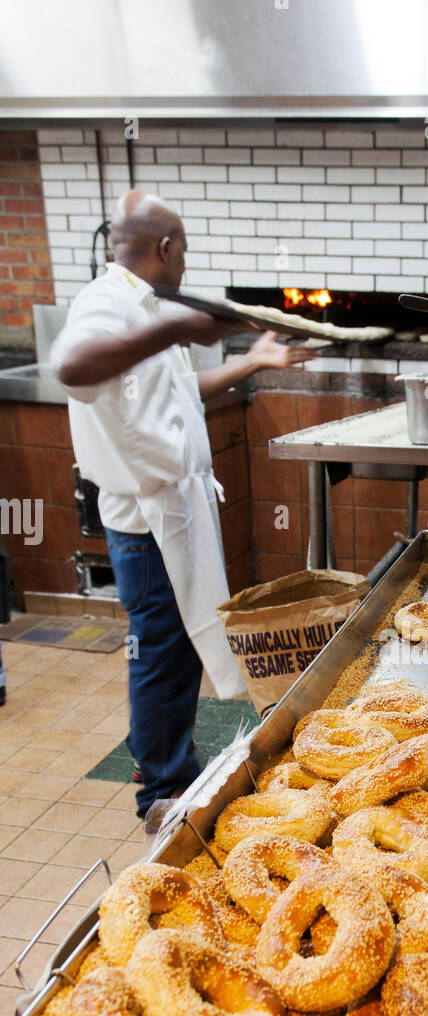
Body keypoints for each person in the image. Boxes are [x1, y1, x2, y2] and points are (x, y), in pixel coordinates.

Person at [52, 190, 315, 816]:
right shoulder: (107, 305)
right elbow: (72, 368)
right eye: (185, 252)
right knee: (160, 654)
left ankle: (176, 773)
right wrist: (173, 326)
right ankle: (161, 792)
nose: (185, 264)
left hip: (175, 509)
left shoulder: (141, 305)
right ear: (166, 248)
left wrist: (249, 363)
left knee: (175, 649)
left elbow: (172, 389)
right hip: (146, 522)